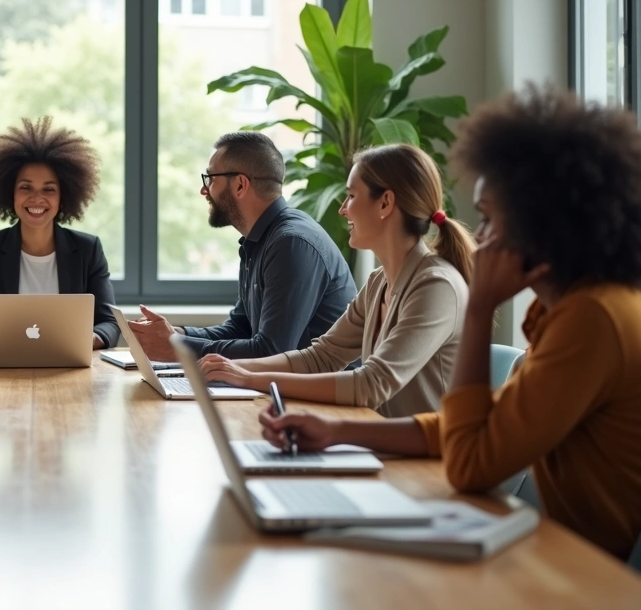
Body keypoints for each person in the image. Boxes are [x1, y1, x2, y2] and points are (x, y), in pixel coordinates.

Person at [258, 85, 641, 561]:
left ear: (542, 221)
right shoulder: (573, 311)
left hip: (578, 574)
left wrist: (478, 310)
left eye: (488, 218)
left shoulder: (593, 319)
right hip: (549, 552)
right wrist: (337, 431)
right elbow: (460, 428)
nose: (478, 236)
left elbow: (470, 462)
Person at [199, 144, 474, 417]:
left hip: (429, 459)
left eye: (352, 196)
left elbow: (371, 384)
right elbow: (321, 357)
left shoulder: (436, 286)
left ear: (385, 203)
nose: (343, 209)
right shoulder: (379, 282)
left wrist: (249, 378)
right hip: (384, 444)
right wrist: (228, 367)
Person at [129, 132, 356, 362]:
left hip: (321, 397)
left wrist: (179, 348)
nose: (204, 190)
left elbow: (271, 352)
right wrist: (178, 335)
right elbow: (241, 328)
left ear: (240, 185)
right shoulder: (259, 241)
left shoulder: (292, 244)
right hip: (284, 390)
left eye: (210, 179)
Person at [0, 117, 119, 353]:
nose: (37, 198)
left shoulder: (88, 250)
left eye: (49, 189)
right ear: (10, 193)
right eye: (26, 187)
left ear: (64, 196)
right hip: (1, 373)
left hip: (70, 368)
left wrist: (87, 339)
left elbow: (109, 323)